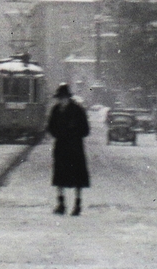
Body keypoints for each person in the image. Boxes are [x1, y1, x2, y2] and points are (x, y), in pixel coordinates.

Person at [46, 82, 91, 215]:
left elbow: (86, 130)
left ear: (68, 98)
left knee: (77, 178)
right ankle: (61, 204)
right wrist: (58, 134)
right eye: (60, 98)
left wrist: (73, 133)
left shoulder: (78, 110)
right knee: (59, 177)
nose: (62, 101)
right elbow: (50, 127)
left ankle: (77, 205)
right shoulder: (55, 110)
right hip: (60, 148)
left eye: (63, 98)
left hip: (75, 148)